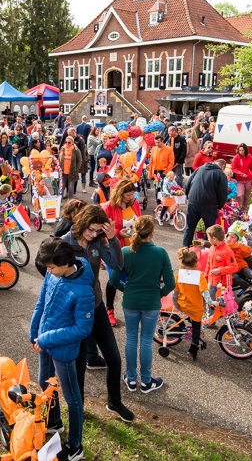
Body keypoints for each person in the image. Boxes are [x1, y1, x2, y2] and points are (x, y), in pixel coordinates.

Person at [55, 206, 133, 423]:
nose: (92, 234)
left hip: (96, 305)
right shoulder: (64, 243)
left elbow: (116, 264)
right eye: (90, 230)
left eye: (97, 231)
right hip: (75, 312)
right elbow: (51, 276)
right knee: (78, 364)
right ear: (81, 223)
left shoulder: (97, 241)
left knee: (114, 358)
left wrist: (112, 238)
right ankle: (78, 406)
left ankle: (114, 402)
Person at [31, 238, 95, 461]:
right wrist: (34, 331)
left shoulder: (84, 291)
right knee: (44, 382)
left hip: (63, 350)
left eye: (51, 267)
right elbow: (42, 302)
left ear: (66, 264)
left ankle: (75, 445)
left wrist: (46, 338)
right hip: (44, 342)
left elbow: (82, 328)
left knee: (73, 398)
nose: (48, 271)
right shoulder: (53, 273)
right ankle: (54, 421)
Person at [109, 216, 174, 394]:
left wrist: (127, 289)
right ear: (152, 232)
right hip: (151, 303)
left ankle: (131, 378)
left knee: (131, 338)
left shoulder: (125, 251)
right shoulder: (160, 253)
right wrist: (158, 293)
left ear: (135, 230)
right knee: (146, 341)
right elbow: (170, 284)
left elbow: (113, 280)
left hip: (131, 301)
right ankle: (146, 381)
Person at [101, 178, 141, 326]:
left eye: (132, 194)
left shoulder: (134, 203)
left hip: (133, 248)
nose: (131, 197)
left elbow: (140, 221)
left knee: (132, 278)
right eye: (128, 195)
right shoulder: (108, 207)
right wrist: (118, 232)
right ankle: (109, 310)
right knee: (114, 280)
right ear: (119, 193)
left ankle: (132, 307)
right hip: (114, 250)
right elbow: (102, 230)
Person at [174, 247, 209, 360]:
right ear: (196, 263)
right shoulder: (200, 276)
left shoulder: (178, 275)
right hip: (195, 308)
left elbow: (175, 294)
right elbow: (205, 293)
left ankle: (188, 329)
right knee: (196, 327)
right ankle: (193, 349)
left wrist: (176, 305)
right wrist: (211, 302)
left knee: (189, 318)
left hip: (183, 305)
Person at [182, 160, 227, 247]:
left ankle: (185, 248)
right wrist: (220, 205)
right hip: (209, 204)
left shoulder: (200, 169)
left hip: (193, 201)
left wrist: (188, 196)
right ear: (223, 167)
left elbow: (188, 183)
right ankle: (209, 249)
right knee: (210, 230)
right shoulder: (220, 174)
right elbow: (223, 192)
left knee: (189, 227)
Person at [205, 224, 238, 302]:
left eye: (208, 237)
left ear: (214, 239)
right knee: (210, 302)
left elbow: (234, 267)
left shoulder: (227, 251)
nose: (208, 239)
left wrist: (220, 270)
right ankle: (210, 310)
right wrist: (205, 276)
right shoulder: (212, 248)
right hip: (211, 281)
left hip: (223, 284)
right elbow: (208, 264)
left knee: (223, 304)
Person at [230, 143, 252, 208]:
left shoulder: (250, 157)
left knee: (246, 196)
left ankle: (243, 209)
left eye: (242, 150)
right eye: (240, 150)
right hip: (239, 180)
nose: (241, 152)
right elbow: (233, 168)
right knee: (239, 195)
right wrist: (240, 173)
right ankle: (236, 208)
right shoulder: (236, 157)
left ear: (245, 150)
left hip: (248, 180)